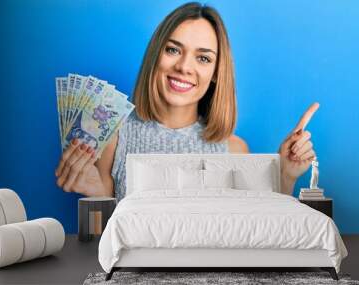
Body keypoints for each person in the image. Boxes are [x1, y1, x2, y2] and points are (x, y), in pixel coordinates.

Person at [55, 2, 318, 201]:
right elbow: (106, 238)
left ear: (216, 74)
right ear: (156, 55)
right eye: (173, 50)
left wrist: (285, 175)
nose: (183, 67)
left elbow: (255, 227)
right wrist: (96, 196)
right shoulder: (113, 138)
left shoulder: (235, 149)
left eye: (203, 58)